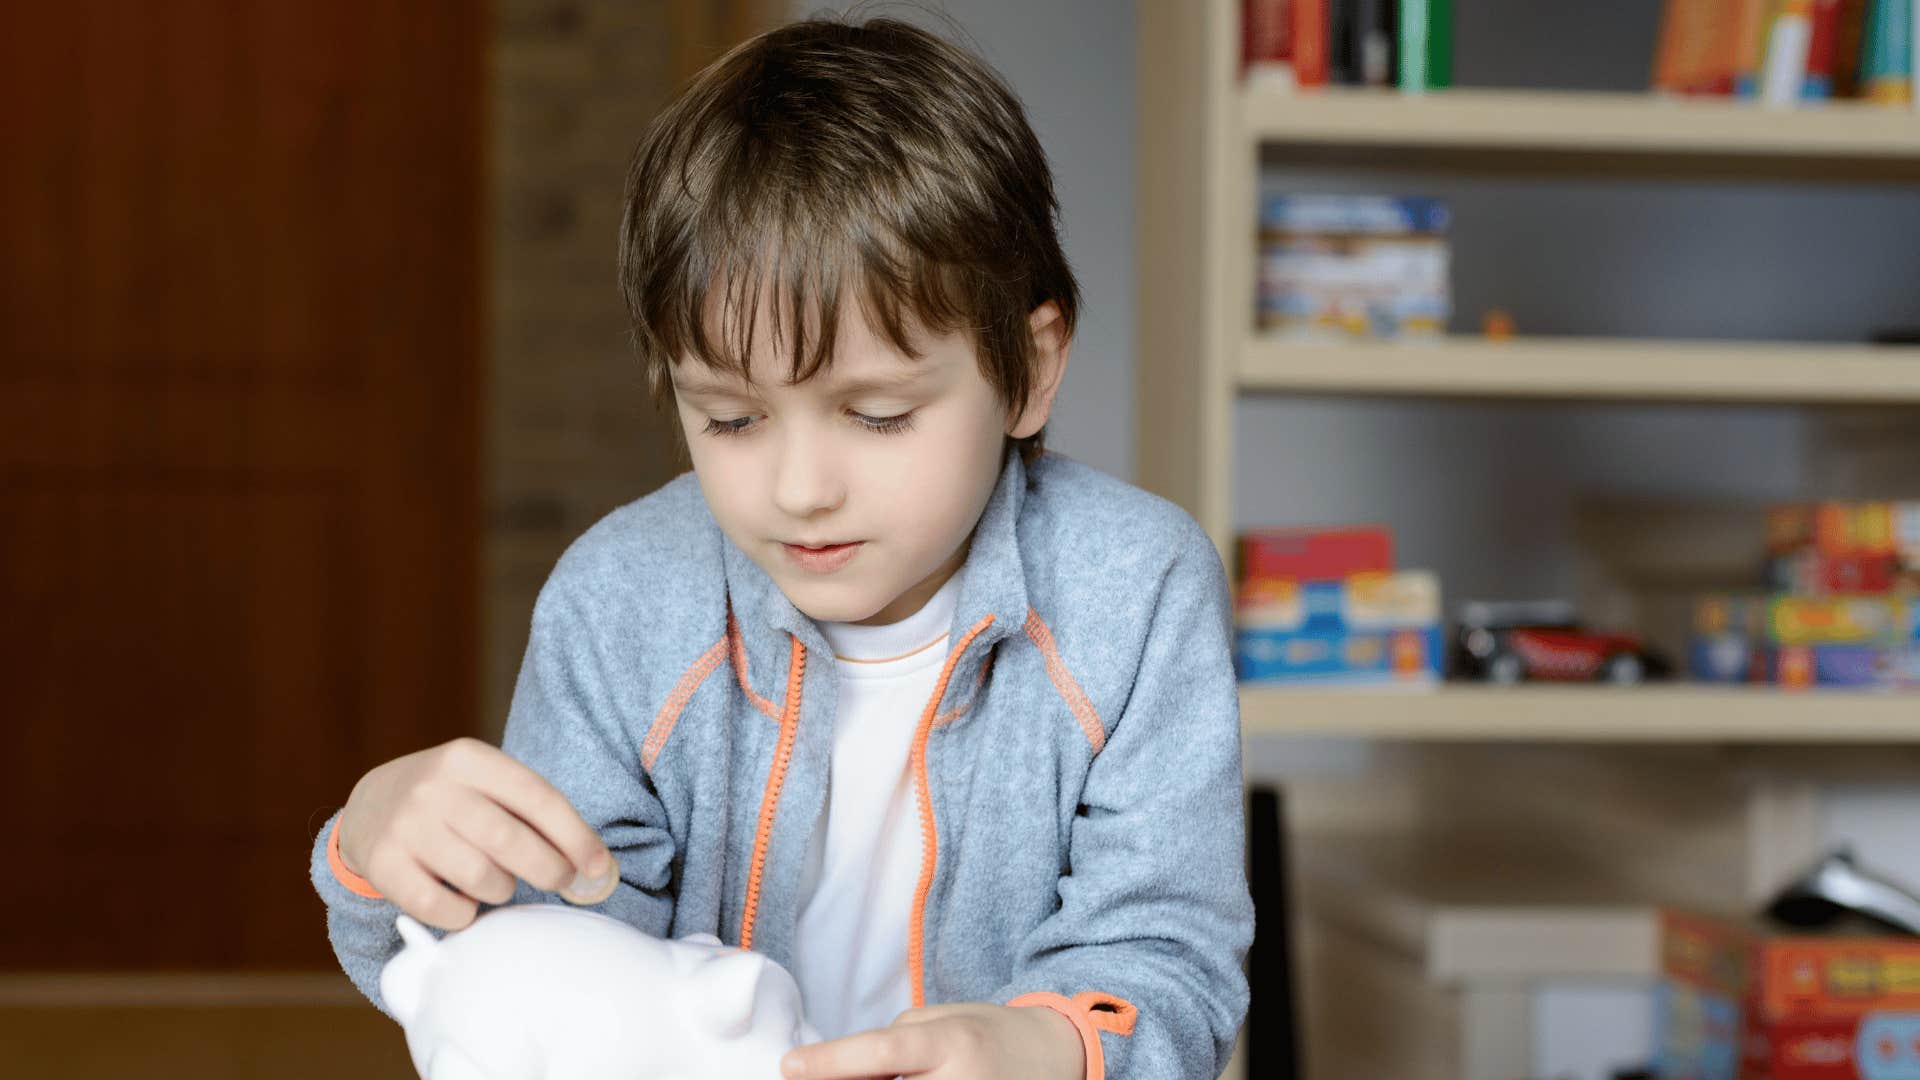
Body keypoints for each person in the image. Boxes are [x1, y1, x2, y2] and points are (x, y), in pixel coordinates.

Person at [310, 15, 1252, 1080]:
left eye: (880, 415)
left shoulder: (1134, 591)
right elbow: (529, 968)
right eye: (731, 418)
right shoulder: (624, 597)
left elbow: (1169, 958)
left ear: (1028, 371)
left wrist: (1040, 1044)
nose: (802, 491)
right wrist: (378, 853)